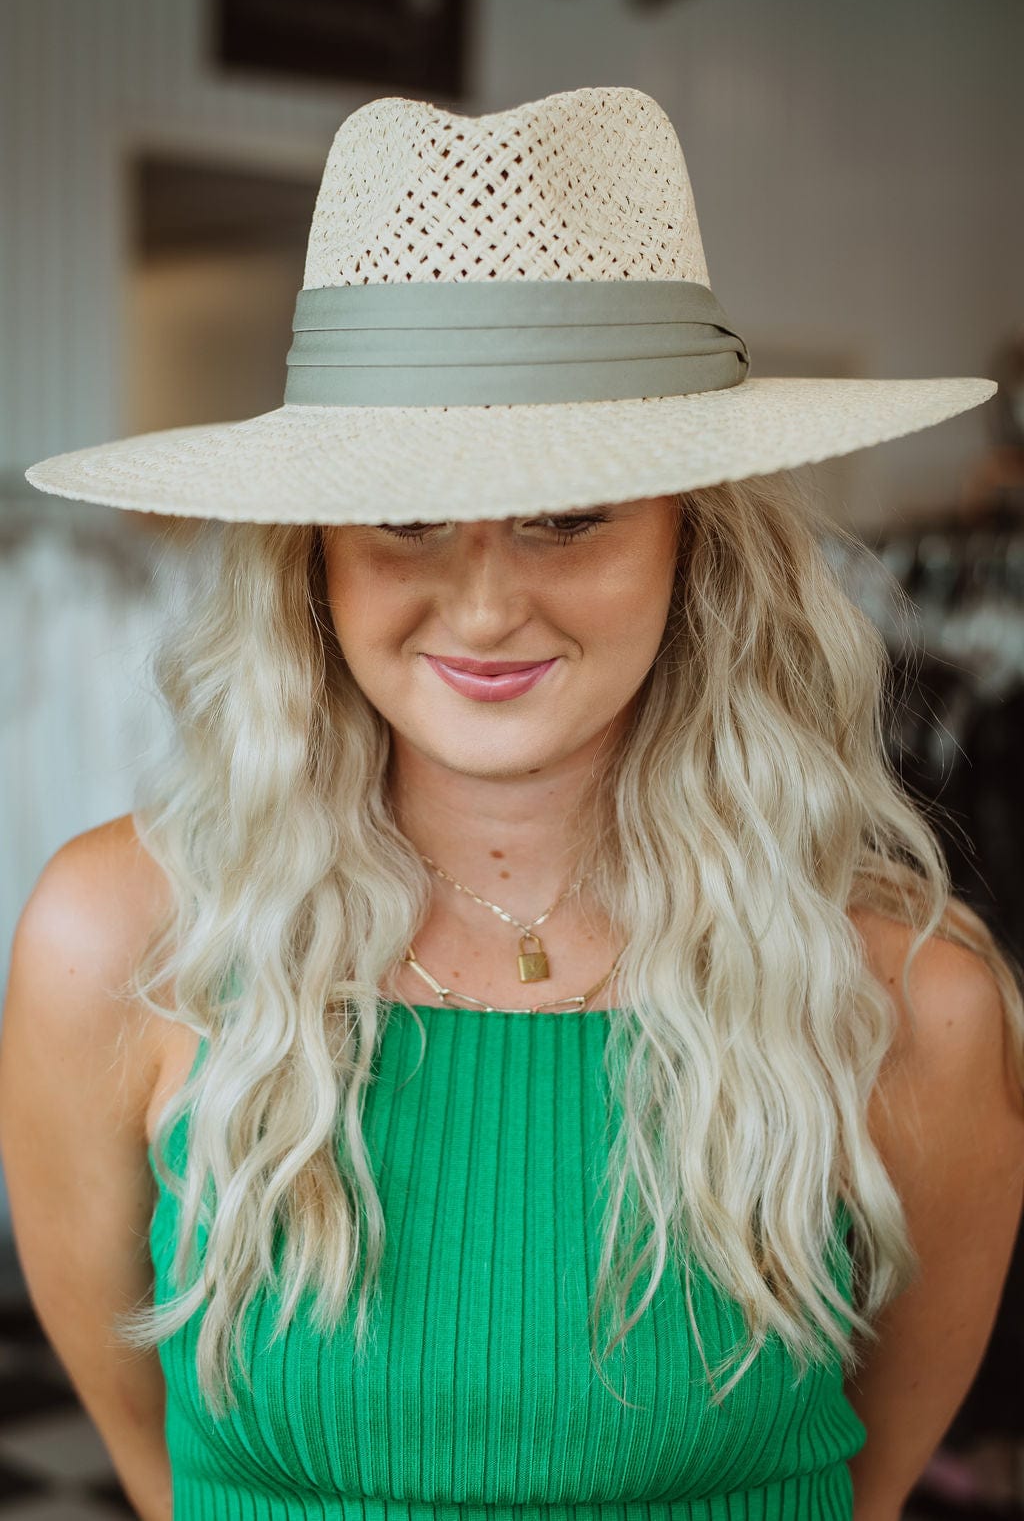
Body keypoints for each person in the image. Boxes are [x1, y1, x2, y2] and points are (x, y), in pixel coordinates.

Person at [2, 85, 1023, 1521]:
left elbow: (871, 1470)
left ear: (695, 538)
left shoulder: (909, 998)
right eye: (405, 518)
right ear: (312, 558)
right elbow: (155, 1453)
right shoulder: (115, 943)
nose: (484, 604)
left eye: (566, 512)